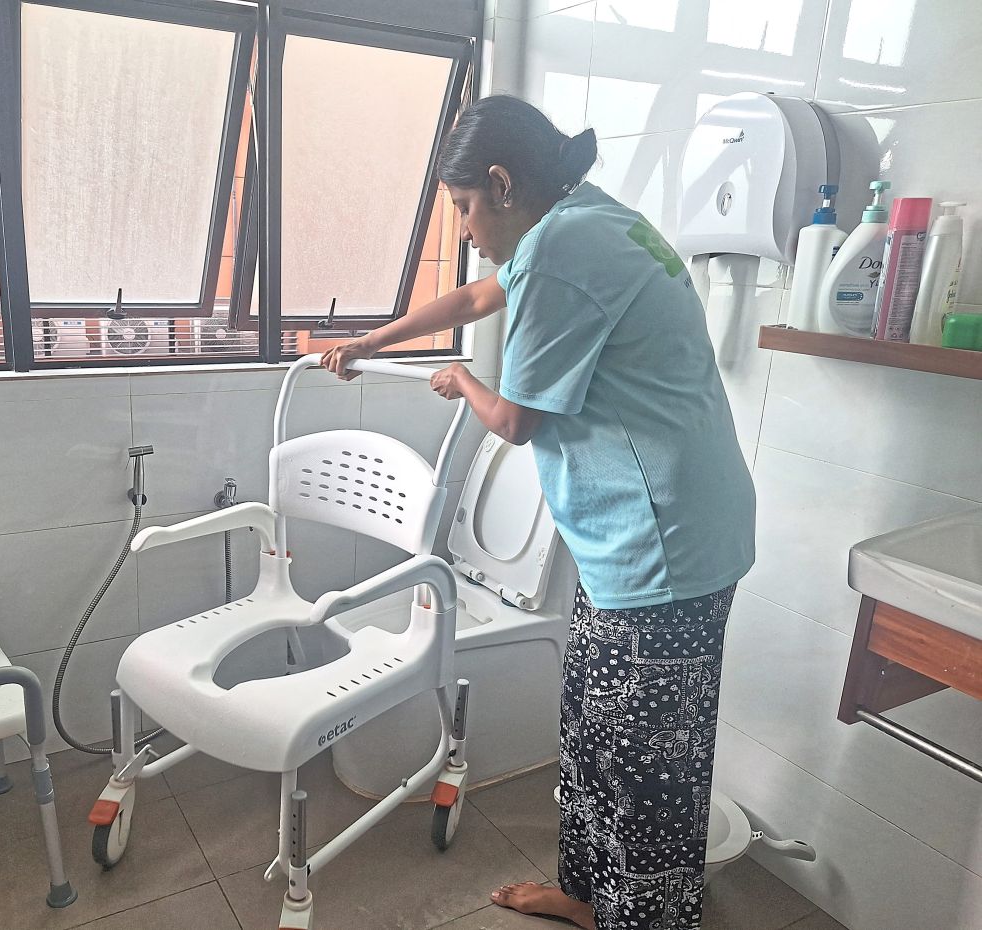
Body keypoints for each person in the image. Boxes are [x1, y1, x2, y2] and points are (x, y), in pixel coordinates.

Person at [323, 95, 756, 930]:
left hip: (663, 545)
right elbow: (475, 300)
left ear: (502, 184)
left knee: (648, 762)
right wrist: (371, 344)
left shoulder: (562, 248)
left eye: (463, 207)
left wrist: (461, 384)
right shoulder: (577, 219)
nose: (461, 227)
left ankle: (644, 920)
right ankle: (590, 897)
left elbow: (517, 423)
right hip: (635, 536)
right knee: (595, 731)